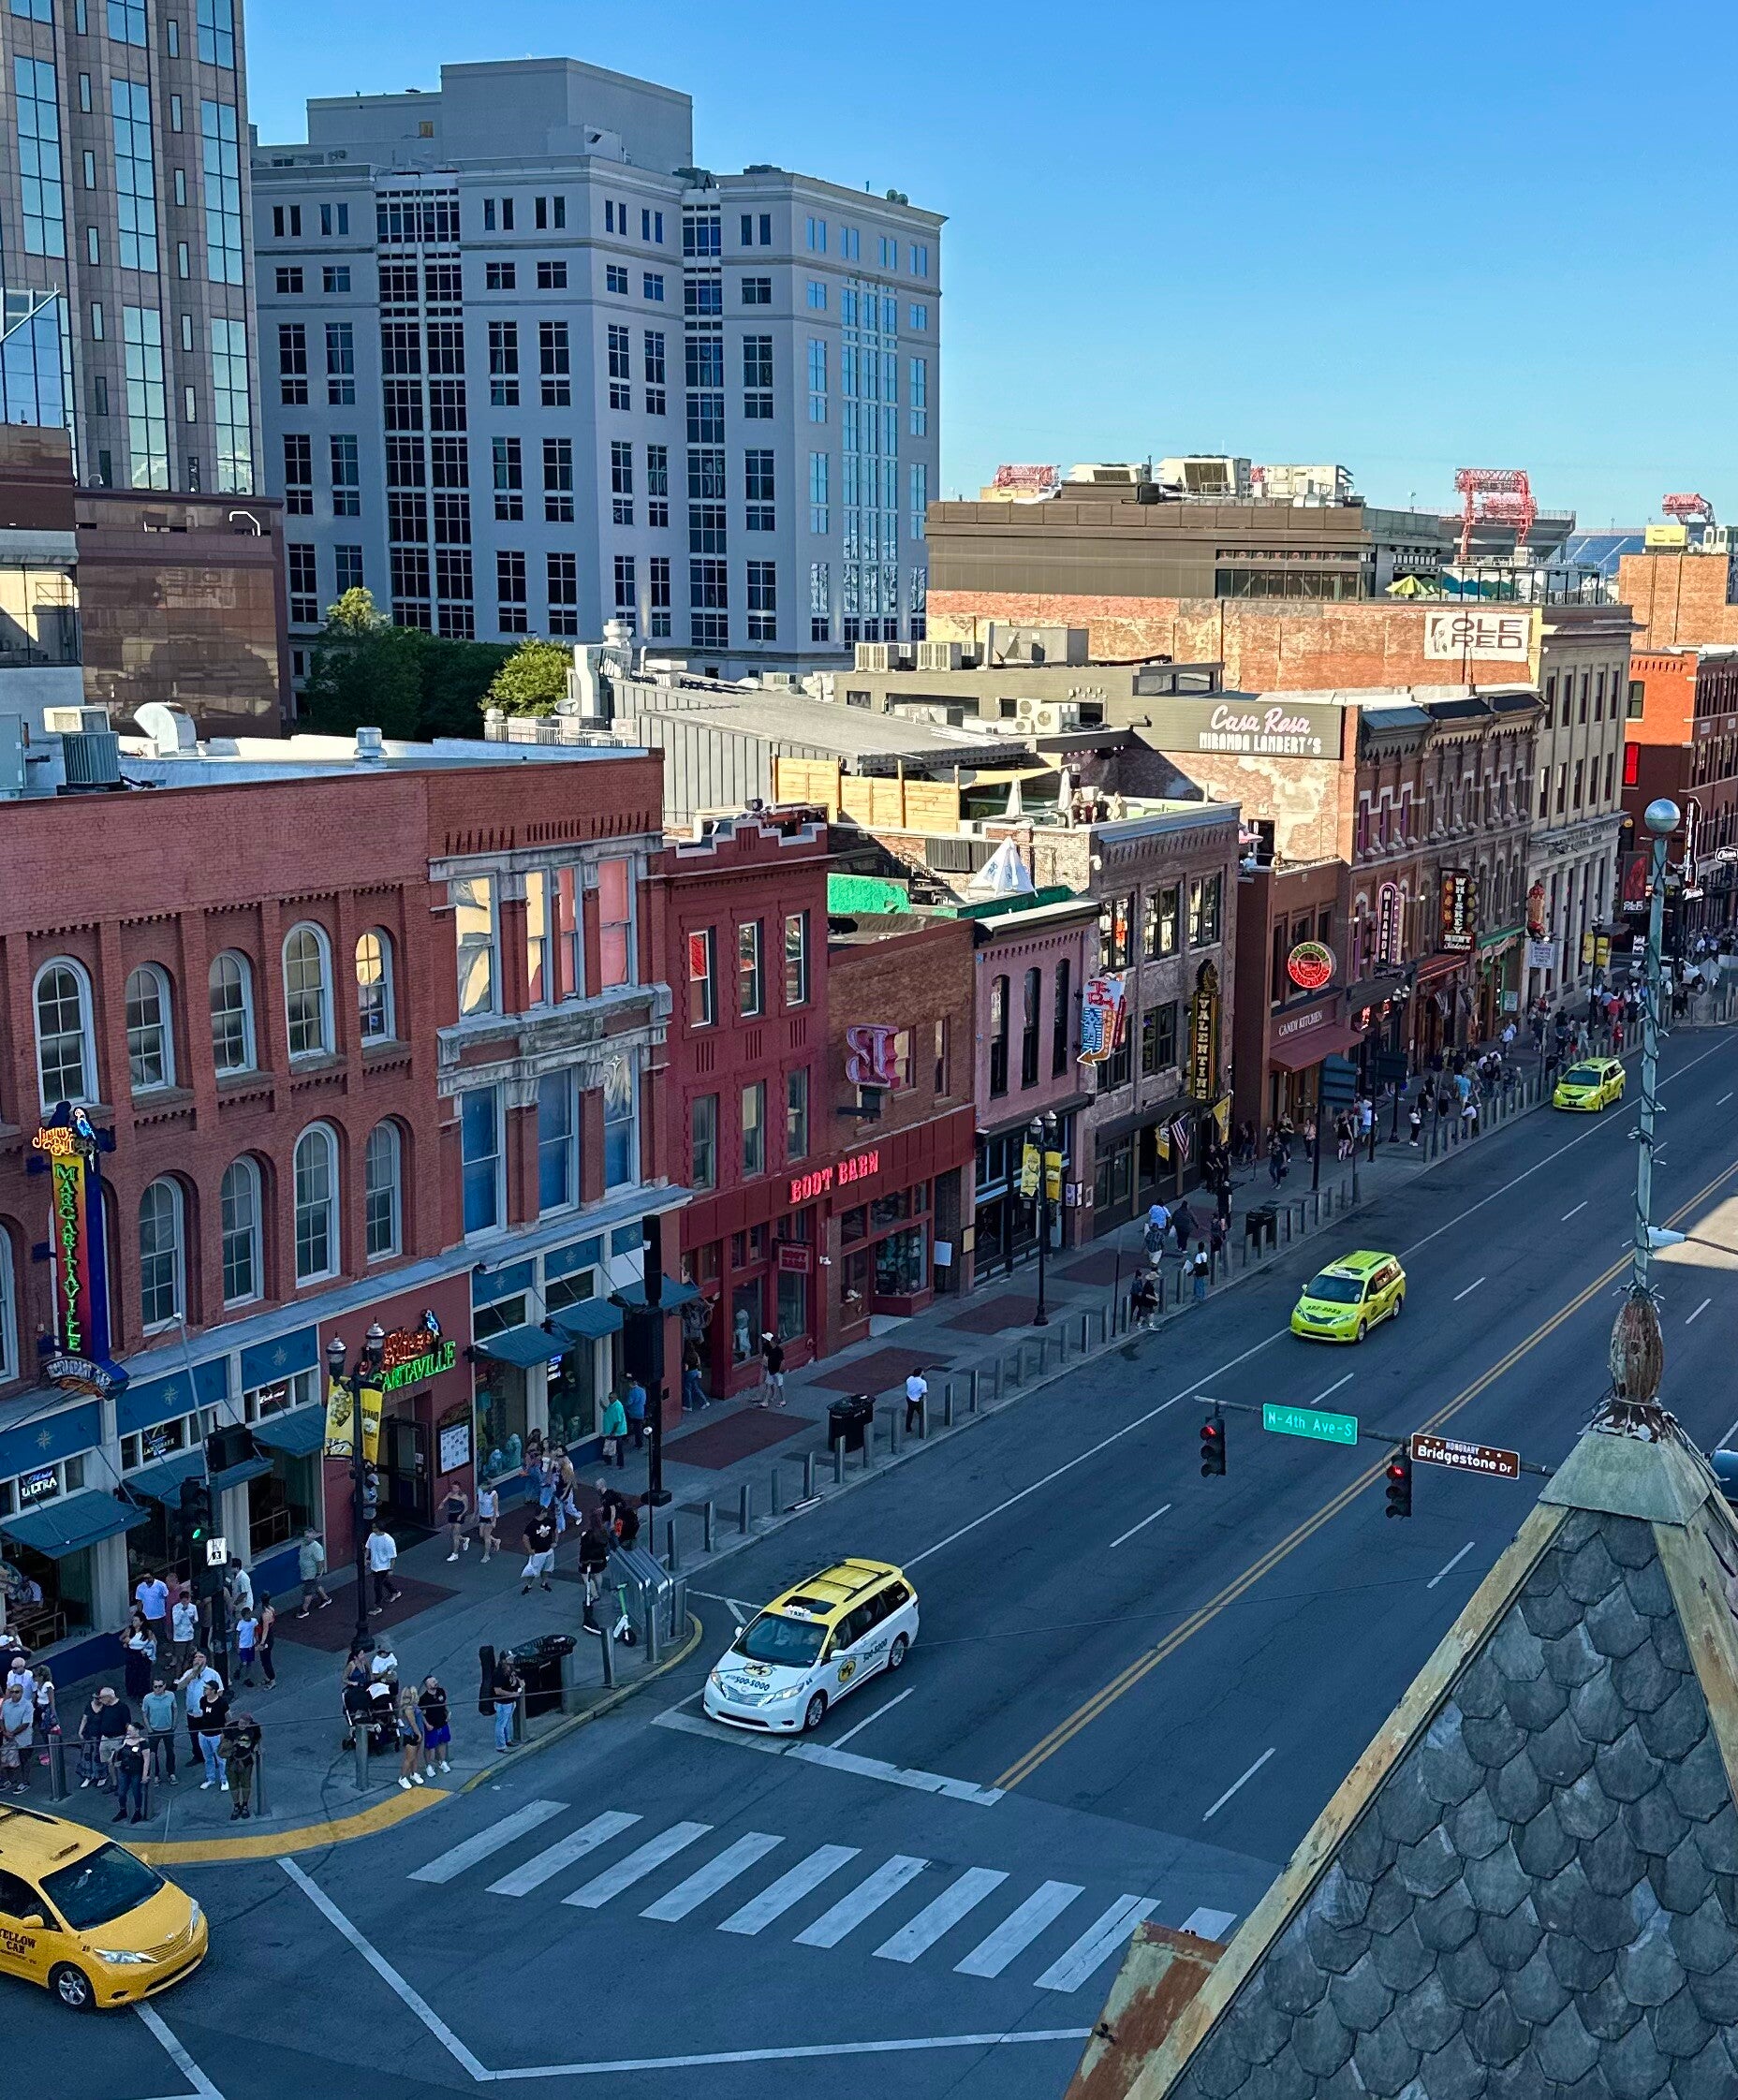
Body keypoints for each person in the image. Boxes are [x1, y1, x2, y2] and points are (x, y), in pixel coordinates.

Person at [176, 1652, 223, 1767]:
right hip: (192, 1712)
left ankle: (214, 1757)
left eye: (201, 1657)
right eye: (196, 1657)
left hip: (206, 1712)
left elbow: (220, 1691)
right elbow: (179, 1686)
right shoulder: (189, 1673)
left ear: (206, 1660)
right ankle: (198, 1756)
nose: (197, 1659)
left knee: (210, 1735)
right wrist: (190, 1677)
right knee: (194, 1735)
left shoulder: (212, 1674)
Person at [221, 1712, 260, 1819]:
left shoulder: (254, 1728)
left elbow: (258, 1738)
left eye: (246, 1723)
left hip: (246, 1761)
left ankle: (245, 1806)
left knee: (246, 1785)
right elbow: (223, 1740)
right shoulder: (230, 1727)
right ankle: (236, 1806)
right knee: (233, 1785)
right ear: (240, 1719)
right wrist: (228, 1746)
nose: (243, 1724)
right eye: (242, 1721)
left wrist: (254, 1747)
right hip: (232, 1761)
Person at [195, 1678, 230, 1792]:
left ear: (214, 1690)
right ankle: (210, 1778)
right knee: (208, 1758)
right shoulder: (203, 1700)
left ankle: (224, 1779)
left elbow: (228, 1718)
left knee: (221, 1759)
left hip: (217, 1735)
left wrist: (225, 1733)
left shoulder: (222, 1702)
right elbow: (203, 1713)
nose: (204, 1690)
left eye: (207, 1688)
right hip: (203, 1734)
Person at [93, 1685, 130, 1789]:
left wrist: (125, 1739)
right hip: (105, 1738)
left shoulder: (122, 1707)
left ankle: (122, 1784)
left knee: (116, 1763)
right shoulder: (105, 1707)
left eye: (101, 1698)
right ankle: (114, 1783)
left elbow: (127, 1724)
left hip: (117, 1738)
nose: (100, 1700)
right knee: (108, 1763)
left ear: (108, 1697)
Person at [0, 1673, 32, 1795]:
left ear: (22, 1692)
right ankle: (10, 1780)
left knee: (24, 1759)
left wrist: (12, 1733)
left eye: (17, 1692)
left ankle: (25, 1782)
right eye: (12, 1692)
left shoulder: (27, 1705)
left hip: (23, 1739)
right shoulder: (6, 1704)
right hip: (7, 1737)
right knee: (7, 1760)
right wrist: (5, 1732)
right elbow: (1, 1719)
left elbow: (26, 1723)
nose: (14, 1694)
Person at [142, 1676, 178, 1784]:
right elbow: (144, 1714)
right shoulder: (148, 1698)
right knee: (153, 1753)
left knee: (170, 1752)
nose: (158, 1688)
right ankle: (156, 1775)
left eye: (160, 1686)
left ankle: (171, 1773)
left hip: (168, 1729)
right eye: (155, 1686)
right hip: (154, 1730)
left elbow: (175, 1709)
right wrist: (149, 1729)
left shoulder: (171, 1695)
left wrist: (173, 1725)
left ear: (164, 1686)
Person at [417, 1674, 452, 1777]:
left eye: (435, 1680)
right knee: (429, 1746)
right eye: (432, 1682)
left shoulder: (441, 1691)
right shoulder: (423, 1699)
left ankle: (442, 1762)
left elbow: (444, 1704)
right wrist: (427, 1724)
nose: (435, 1682)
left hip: (443, 1723)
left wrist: (448, 1713)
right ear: (427, 1685)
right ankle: (428, 1766)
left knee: (443, 1742)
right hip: (431, 1726)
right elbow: (421, 1714)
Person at [112, 1725, 148, 1824]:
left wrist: (144, 1775)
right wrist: (115, 1758)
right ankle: (122, 1810)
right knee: (121, 1792)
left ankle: (137, 1812)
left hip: (136, 1772)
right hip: (124, 1770)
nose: (128, 1732)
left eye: (130, 1731)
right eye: (128, 1730)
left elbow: (146, 1760)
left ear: (137, 1731)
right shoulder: (126, 1739)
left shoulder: (143, 1743)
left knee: (136, 1792)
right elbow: (120, 1750)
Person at [521, 1507, 558, 1594]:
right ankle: (528, 1585)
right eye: (545, 1512)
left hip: (548, 1550)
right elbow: (525, 1538)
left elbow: (555, 1530)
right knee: (532, 1571)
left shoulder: (549, 1521)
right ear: (542, 1513)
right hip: (537, 1553)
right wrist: (529, 1549)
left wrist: (555, 1542)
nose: (547, 1514)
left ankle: (544, 1583)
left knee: (547, 1568)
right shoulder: (532, 1525)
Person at [578, 1517, 611, 1615]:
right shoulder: (602, 1532)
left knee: (585, 1576)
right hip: (600, 1558)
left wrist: (581, 1560)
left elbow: (584, 1548)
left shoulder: (587, 1534)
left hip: (588, 1558)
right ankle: (599, 1590)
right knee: (597, 1574)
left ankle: (594, 1594)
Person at [395, 1686, 426, 1789]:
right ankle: (402, 1777)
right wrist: (419, 1734)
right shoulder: (408, 1708)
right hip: (411, 1735)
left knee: (416, 1756)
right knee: (410, 1758)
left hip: (416, 1733)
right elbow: (413, 1723)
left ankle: (414, 1773)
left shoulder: (412, 1706)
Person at [366, 1520, 401, 1612]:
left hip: (384, 1566)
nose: (373, 1529)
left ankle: (378, 1606)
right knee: (383, 1581)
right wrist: (365, 1559)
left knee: (377, 1586)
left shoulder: (388, 1540)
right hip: (375, 1565)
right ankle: (394, 1592)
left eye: (374, 1528)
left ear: (379, 1529)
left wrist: (390, 1569)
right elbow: (368, 1548)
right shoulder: (372, 1536)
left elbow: (393, 1557)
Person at [493, 1652, 523, 1754]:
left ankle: (508, 1740)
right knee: (501, 1724)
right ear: (503, 1661)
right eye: (510, 1658)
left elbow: (515, 1677)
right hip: (502, 1703)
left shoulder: (510, 1669)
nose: (512, 1660)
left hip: (510, 1702)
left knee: (507, 1722)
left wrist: (519, 1681)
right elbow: (498, 1691)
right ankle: (501, 1746)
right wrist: (512, 1694)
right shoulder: (499, 1673)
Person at [135, 1569, 170, 1652]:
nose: (147, 1580)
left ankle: (165, 1651)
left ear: (152, 1576)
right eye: (145, 1578)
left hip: (159, 1616)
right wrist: (139, 1615)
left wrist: (166, 1611)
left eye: (148, 1578)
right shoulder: (140, 1587)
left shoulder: (161, 1585)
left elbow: (167, 1598)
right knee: (147, 1636)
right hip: (146, 1617)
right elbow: (139, 1602)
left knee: (161, 1635)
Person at [122, 1619, 155, 1703]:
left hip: (143, 1658)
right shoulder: (129, 1630)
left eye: (136, 1621)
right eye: (133, 1621)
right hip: (132, 1658)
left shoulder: (147, 1632)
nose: (134, 1622)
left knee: (143, 1677)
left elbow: (153, 1643)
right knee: (132, 1676)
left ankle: (142, 1696)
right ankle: (133, 1693)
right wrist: (125, 1642)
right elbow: (122, 1639)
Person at [170, 1584, 199, 1666]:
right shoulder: (176, 1608)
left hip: (189, 1635)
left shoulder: (193, 1607)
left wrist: (192, 1619)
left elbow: (196, 1620)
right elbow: (176, 1622)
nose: (186, 1603)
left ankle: (186, 1668)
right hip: (179, 1637)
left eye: (187, 1600)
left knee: (188, 1655)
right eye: (184, 1601)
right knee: (180, 1656)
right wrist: (182, 1611)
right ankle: (180, 1670)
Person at [441, 1485, 471, 1563]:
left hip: (459, 1515)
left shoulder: (463, 1496)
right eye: (453, 1487)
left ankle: (455, 1554)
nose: (454, 1489)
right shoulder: (450, 1494)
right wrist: (441, 1504)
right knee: (452, 1534)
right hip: (451, 1515)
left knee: (455, 1536)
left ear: (459, 1488)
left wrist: (461, 1515)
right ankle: (464, 1539)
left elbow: (466, 1507)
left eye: (456, 1488)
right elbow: (444, 1501)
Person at [598, 1390, 627, 1468]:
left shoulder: (617, 1407)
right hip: (609, 1430)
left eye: (611, 1398)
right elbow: (607, 1411)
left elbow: (617, 1421)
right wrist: (602, 1405)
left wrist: (613, 1431)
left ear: (615, 1398)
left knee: (619, 1447)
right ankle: (608, 1461)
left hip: (617, 1431)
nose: (609, 1399)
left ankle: (620, 1464)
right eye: (609, 1397)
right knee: (608, 1445)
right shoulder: (611, 1405)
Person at [233, 1605, 259, 1688]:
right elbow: (237, 1635)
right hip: (243, 1646)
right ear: (244, 1616)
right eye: (247, 1614)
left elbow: (256, 1630)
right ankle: (238, 1670)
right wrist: (237, 1647)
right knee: (243, 1662)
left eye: (249, 1613)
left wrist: (257, 1639)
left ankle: (247, 1678)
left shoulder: (254, 1621)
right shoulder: (241, 1624)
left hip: (251, 1645)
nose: (249, 1615)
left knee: (249, 1662)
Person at [474, 1481, 500, 1563]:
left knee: (486, 1537)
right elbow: (478, 1503)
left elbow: (495, 1507)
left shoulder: (493, 1494)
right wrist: (475, 1514)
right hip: (482, 1516)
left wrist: (494, 1520)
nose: (481, 1487)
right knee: (481, 1534)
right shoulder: (480, 1491)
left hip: (490, 1517)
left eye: (483, 1486)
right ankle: (496, 1540)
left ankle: (486, 1555)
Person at [257, 1593, 278, 1688]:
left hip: (266, 1640)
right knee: (265, 1659)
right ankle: (269, 1677)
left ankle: (272, 1680)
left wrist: (262, 1643)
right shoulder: (271, 1609)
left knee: (266, 1660)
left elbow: (265, 1629)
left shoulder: (265, 1615)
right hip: (270, 1637)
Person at [759, 1335, 786, 1408]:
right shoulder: (770, 1350)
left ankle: (783, 1400)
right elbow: (766, 1358)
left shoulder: (779, 1350)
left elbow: (782, 1361)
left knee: (780, 1386)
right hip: (770, 1370)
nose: (770, 1342)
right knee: (768, 1385)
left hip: (777, 1371)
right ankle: (765, 1402)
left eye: (771, 1341)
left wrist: (781, 1369)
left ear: (774, 1342)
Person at [625, 1373, 649, 1448]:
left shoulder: (632, 1392)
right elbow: (644, 1401)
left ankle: (635, 1442)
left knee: (633, 1427)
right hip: (641, 1412)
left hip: (633, 1413)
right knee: (638, 1428)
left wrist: (624, 1404)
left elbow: (629, 1402)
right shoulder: (642, 1390)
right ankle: (640, 1443)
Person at [682, 1343, 707, 1413]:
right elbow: (699, 1363)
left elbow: (686, 1368)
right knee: (696, 1388)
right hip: (696, 1371)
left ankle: (689, 1406)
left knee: (687, 1389)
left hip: (689, 1373)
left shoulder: (686, 1356)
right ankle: (705, 1402)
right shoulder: (696, 1354)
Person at [905, 1369, 928, 1434]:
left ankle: (908, 1429)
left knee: (910, 1413)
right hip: (916, 1400)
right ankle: (924, 1427)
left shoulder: (909, 1379)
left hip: (909, 1398)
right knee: (922, 1413)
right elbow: (924, 1392)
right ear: (920, 1373)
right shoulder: (923, 1382)